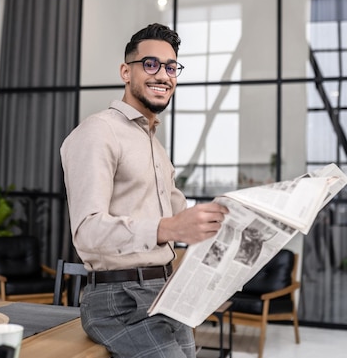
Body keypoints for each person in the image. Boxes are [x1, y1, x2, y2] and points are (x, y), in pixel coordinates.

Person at [60, 23, 229, 358]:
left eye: (170, 67)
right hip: (118, 301)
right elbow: (87, 231)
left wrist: (230, 217)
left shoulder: (154, 145)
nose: (163, 75)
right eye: (150, 64)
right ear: (126, 71)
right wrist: (169, 228)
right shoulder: (98, 132)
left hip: (164, 290)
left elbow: (178, 212)